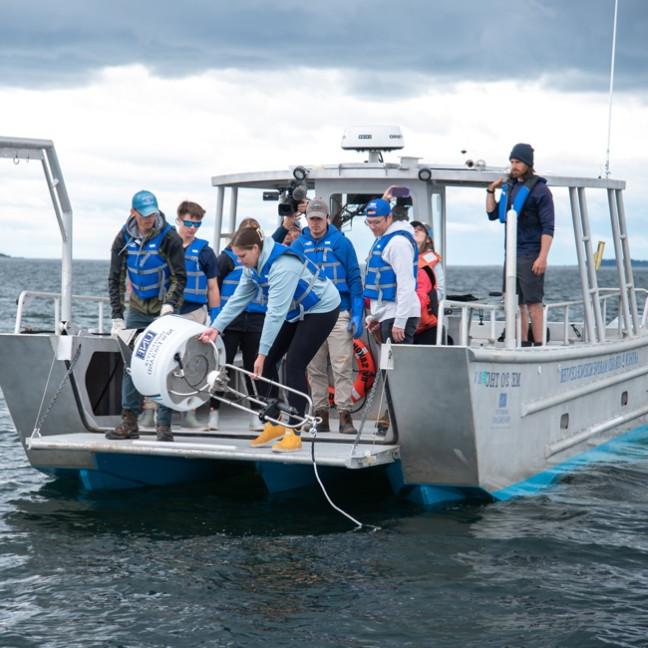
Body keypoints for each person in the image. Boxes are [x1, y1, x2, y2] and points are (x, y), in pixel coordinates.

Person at [199, 228, 340, 453]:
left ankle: (294, 431)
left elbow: (274, 313)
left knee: (293, 363)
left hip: (321, 308)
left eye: (242, 256)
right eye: (236, 256)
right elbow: (237, 300)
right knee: (265, 362)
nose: (239, 261)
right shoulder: (252, 267)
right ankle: (274, 423)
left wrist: (263, 354)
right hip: (296, 311)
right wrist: (216, 327)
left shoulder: (282, 266)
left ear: (255, 249)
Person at [107, 190, 186, 442]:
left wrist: (170, 305)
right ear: (133, 213)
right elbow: (115, 278)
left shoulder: (169, 237)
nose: (149, 219)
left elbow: (179, 277)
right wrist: (117, 316)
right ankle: (129, 422)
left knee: (165, 365)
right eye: (144, 216)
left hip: (164, 311)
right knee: (132, 364)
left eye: (152, 214)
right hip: (137, 310)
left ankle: (164, 426)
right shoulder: (123, 238)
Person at [291, 197, 364, 434]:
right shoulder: (298, 246)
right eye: (311, 219)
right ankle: (320, 412)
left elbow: (354, 278)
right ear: (307, 219)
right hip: (310, 314)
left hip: (339, 313)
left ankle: (344, 414)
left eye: (318, 219)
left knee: (342, 365)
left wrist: (357, 312)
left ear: (327, 219)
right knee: (314, 368)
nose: (314, 224)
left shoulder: (342, 243)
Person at [486, 143, 555, 345]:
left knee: (534, 302)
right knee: (516, 303)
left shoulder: (541, 191)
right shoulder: (511, 188)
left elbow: (548, 227)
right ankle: (523, 342)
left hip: (531, 253)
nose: (513, 166)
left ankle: (539, 344)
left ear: (528, 164)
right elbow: (492, 214)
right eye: (512, 162)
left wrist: (542, 257)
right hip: (511, 254)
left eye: (517, 162)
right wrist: (491, 190)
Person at [210, 217, 266, 431]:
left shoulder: (262, 261)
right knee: (223, 367)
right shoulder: (226, 258)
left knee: (255, 370)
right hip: (230, 322)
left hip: (255, 321)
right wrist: (215, 317)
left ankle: (257, 414)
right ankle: (214, 413)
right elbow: (214, 285)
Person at [175, 200, 221, 427]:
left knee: (193, 361)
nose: (192, 228)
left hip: (195, 313)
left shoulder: (205, 252)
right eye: (188, 223)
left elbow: (213, 287)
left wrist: (215, 316)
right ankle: (150, 412)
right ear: (178, 221)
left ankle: (190, 411)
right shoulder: (167, 247)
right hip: (168, 313)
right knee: (162, 361)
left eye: (197, 224)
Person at [364, 198, 420, 344]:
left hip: (397, 317)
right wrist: (376, 317)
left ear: (389, 217)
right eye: (369, 222)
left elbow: (406, 283)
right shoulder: (384, 239)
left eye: (377, 222)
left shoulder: (398, 243)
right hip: (388, 316)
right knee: (389, 366)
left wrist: (400, 322)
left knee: (398, 366)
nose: (372, 227)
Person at [410, 221, 439, 345]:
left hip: (426, 325)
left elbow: (440, 290)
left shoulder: (432, 262)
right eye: (413, 228)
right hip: (405, 322)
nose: (415, 230)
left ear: (428, 239)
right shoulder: (402, 257)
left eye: (420, 229)